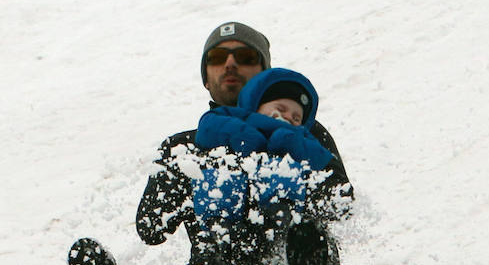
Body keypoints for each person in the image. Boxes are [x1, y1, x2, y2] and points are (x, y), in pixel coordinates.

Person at [69, 68, 345, 265]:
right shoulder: (207, 141)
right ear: (254, 104)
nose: (287, 117)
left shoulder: (309, 148)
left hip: (281, 257)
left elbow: (339, 203)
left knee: (310, 235)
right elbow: (151, 228)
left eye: (296, 117)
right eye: (280, 108)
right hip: (220, 255)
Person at [135, 22, 353, 250]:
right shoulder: (184, 147)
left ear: (264, 74)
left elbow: (340, 205)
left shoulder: (302, 132)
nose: (230, 63)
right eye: (217, 57)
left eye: (245, 56)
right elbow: (151, 228)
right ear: (206, 79)